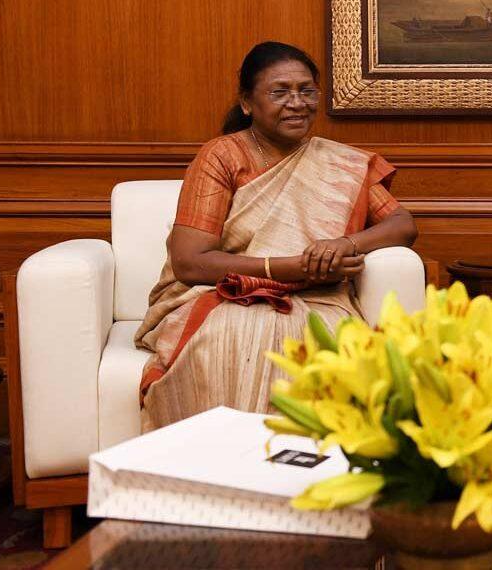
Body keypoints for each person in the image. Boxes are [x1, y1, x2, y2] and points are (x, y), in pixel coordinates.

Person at [135, 41, 418, 431]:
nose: (297, 102)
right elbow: (190, 260)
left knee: (332, 344)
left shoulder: (339, 161)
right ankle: (221, 466)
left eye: (306, 90)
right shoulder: (222, 156)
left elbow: (403, 224)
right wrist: (291, 268)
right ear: (247, 103)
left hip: (316, 296)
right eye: (280, 92)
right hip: (225, 294)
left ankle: (309, 477)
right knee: (239, 335)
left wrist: (346, 245)